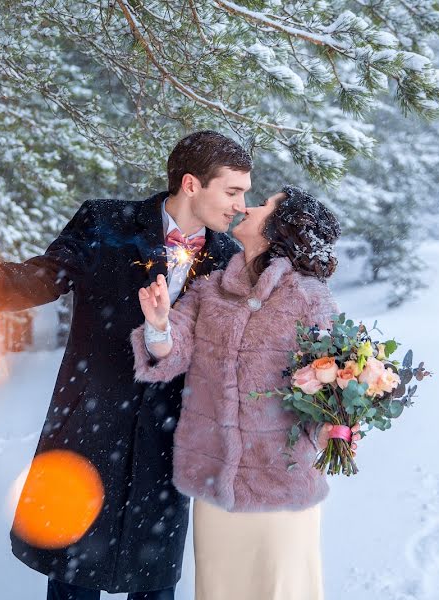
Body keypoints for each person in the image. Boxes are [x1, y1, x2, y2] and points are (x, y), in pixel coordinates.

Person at [0, 131, 251, 599]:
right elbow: (39, 280)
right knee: (72, 577)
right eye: (232, 191)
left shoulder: (229, 261)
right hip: (88, 435)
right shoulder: (105, 222)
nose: (240, 204)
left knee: (154, 583)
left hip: (166, 450)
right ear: (192, 184)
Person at [132, 186, 361, 600]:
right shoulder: (210, 289)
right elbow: (172, 352)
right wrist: (159, 323)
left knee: (280, 589)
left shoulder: (309, 296)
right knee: (220, 590)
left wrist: (338, 428)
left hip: (281, 481)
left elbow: (336, 379)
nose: (248, 207)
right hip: (217, 482)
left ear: (280, 229)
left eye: (264, 204)